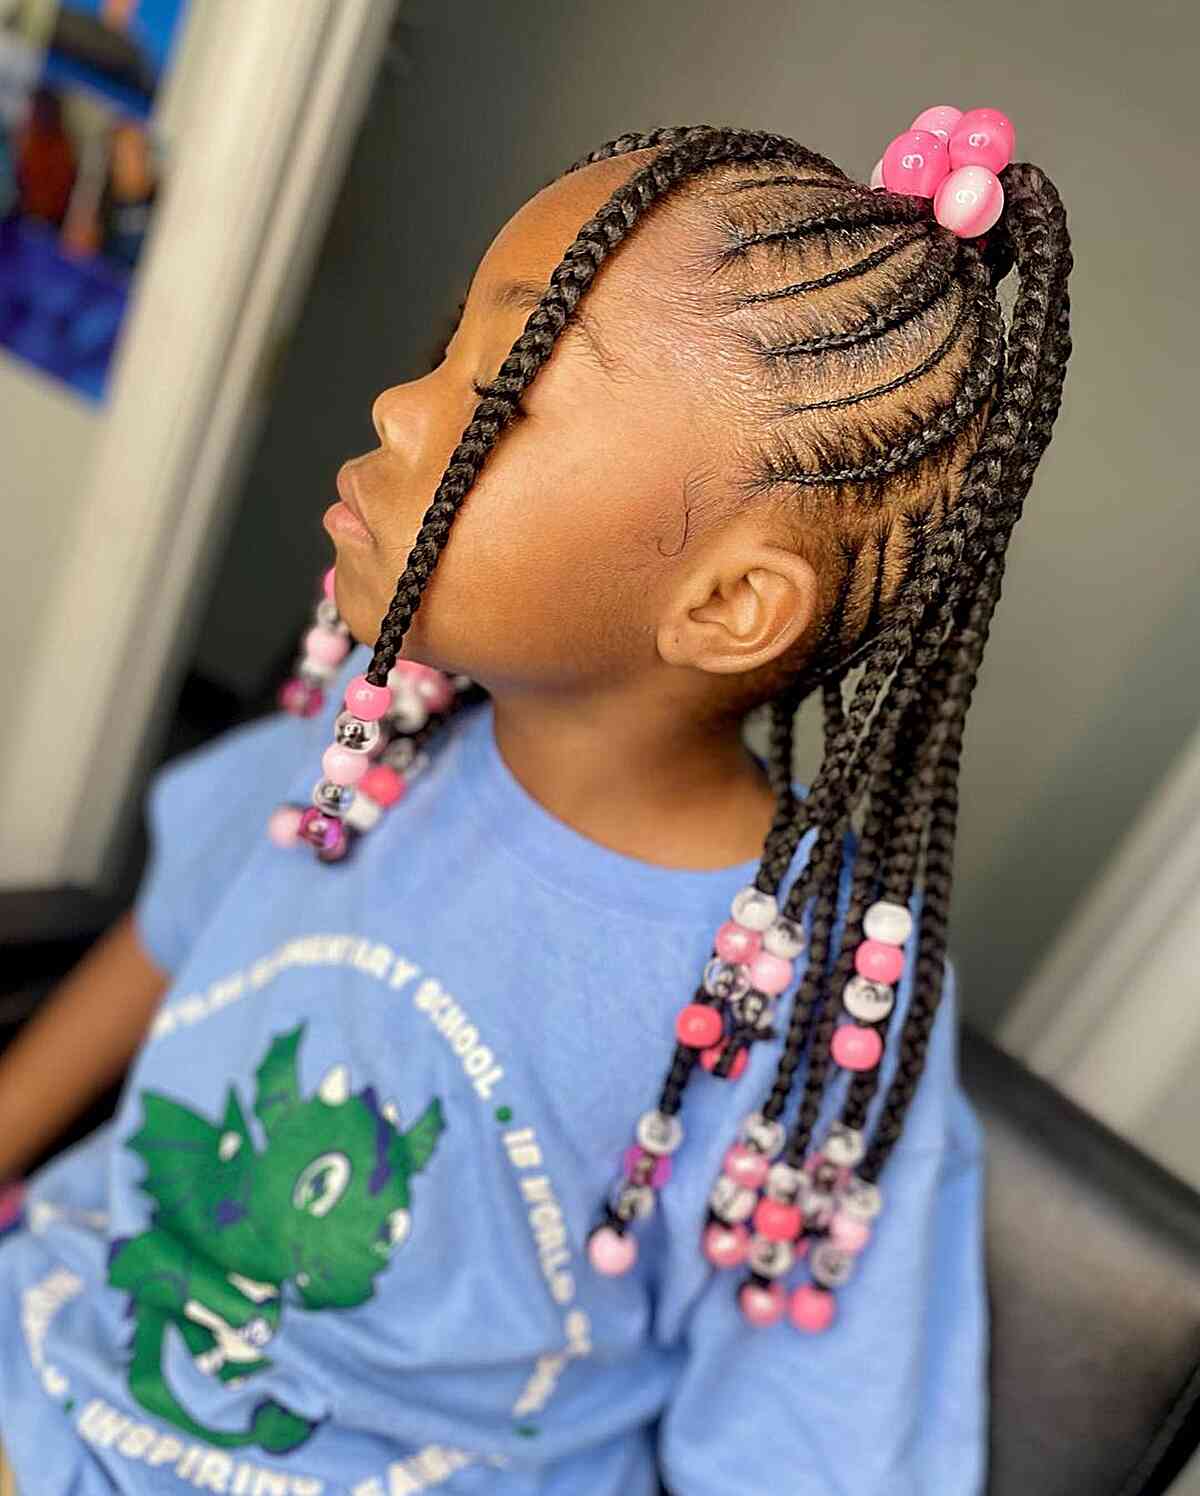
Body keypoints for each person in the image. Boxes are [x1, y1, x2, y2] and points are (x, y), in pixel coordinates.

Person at [0, 115, 1072, 1494]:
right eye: (452, 344)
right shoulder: (379, 724)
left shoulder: (804, 1012)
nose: (400, 405)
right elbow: (163, 938)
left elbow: (804, 1457)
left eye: (497, 391)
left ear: (732, 605)